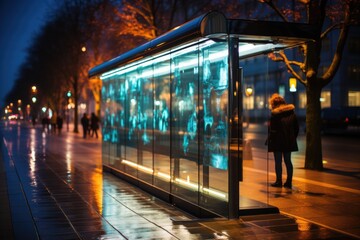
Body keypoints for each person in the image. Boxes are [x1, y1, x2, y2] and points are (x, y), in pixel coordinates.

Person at [267, 93, 299, 189]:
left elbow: (272, 130)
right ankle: (289, 182)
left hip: (278, 141)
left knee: (278, 162)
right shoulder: (292, 113)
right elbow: (296, 128)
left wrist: (271, 140)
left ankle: (279, 181)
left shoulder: (275, 115)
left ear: (274, 104)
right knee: (288, 161)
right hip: (289, 141)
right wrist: (292, 138)